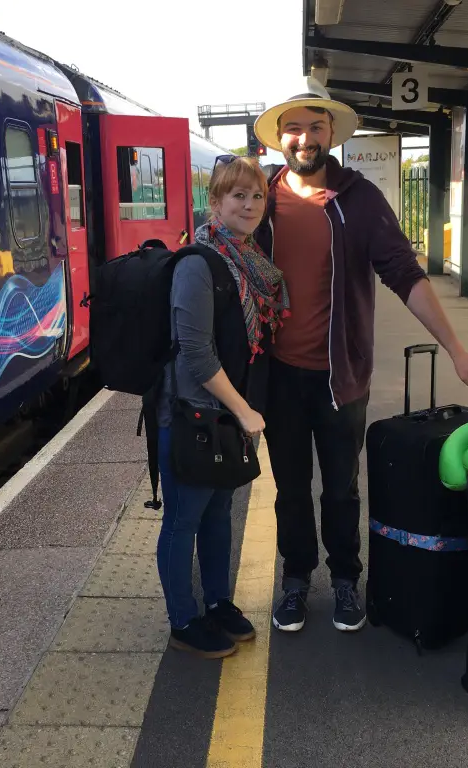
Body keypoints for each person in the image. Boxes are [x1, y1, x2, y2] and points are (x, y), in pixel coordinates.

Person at [250, 77, 468, 634]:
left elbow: (404, 274)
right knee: (291, 488)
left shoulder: (359, 199)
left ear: (331, 135)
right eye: (294, 127)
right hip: (278, 376)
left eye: (316, 127)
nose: (305, 137)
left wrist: (456, 350)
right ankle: (296, 579)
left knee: (341, 486)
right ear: (279, 139)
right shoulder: (261, 199)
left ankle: (345, 579)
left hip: (341, 376)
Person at [155, 155, 290, 658]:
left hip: (224, 417)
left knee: (217, 516)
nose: (250, 205)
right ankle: (182, 619)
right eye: (238, 195)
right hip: (192, 414)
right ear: (215, 201)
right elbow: (195, 351)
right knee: (184, 519)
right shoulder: (198, 262)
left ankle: (217, 604)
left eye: (257, 195)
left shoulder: (249, 261)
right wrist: (245, 410)